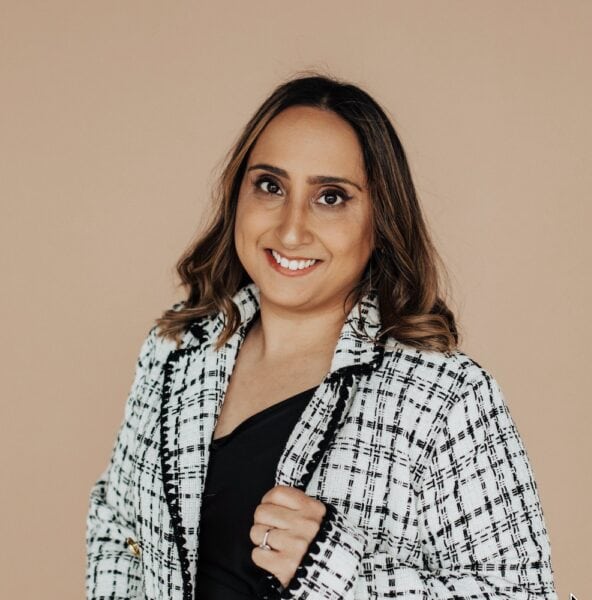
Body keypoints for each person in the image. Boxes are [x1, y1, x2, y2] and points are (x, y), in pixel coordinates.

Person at [86, 73, 558, 600]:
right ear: (236, 194)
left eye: (330, 197)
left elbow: (521, 593)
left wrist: (334, 571)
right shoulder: (177, 348)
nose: (290, 230)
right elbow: (116, 523)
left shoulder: (443, 397)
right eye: (270, 185)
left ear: (379, 220)